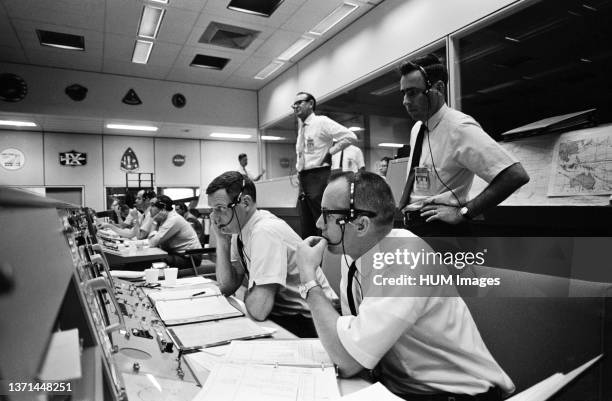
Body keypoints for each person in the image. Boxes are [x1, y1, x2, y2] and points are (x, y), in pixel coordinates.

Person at [296, 171, 515, 400]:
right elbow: (350, 345)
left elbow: (349, 361)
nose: (318, 223)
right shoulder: (352, 255)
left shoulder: (406, 261)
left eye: (327, 214)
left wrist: (309, 281)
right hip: (399, 388)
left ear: (360, 225)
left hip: (456, 395)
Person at [397, 54, 529, 236]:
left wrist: (464, 212)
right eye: (403, 93)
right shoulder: (417, 128)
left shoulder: (459, 127)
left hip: (442, 231)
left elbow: (515, 175)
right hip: (415, 226)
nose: (405, 101)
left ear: (438, 88)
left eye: (412, 93)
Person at [206, 171, 337, 337]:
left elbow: (259, 309)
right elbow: (226, 286)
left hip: (314, 321)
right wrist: (221, 241)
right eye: (212, 210)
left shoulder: (265, 231)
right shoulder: (239, 232)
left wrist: (245, 292)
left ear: (245, 203)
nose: (214, 218)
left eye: (220, 209)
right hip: (286, 315)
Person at [293, 91, 357, 238]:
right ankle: (312, 258)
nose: (296, 106)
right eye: (294, 104)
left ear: (310, 104)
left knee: (320, 221)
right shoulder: (302, 128)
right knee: (306, 222)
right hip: (304, 180)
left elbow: (350, 136)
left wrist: (331, 152)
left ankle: (326, 258)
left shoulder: (321, 122)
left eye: (299, 102)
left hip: (318, 177)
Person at [148, 195, 202, 270]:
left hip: (189, 258)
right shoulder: (166, 219)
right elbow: (158, 243)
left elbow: (152, 243)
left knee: (152, 261)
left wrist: (155, 222)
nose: (149, 209)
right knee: (151, 258)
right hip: (180, 254)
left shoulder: (173, 220)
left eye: (152, 205)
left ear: (162, 208)